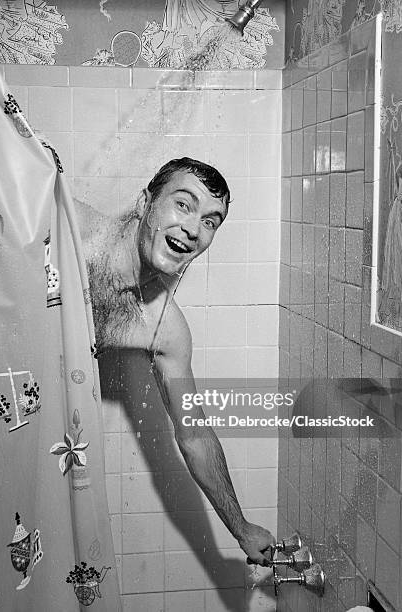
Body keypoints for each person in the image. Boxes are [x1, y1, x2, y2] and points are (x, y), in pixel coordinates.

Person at [75, 157, 275, 566]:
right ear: (144, 201)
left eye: (210, 221)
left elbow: (195, 436)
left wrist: (241, 528)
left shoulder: (163, 329)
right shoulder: (74, 228)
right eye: (183, 204)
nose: (192, 229)